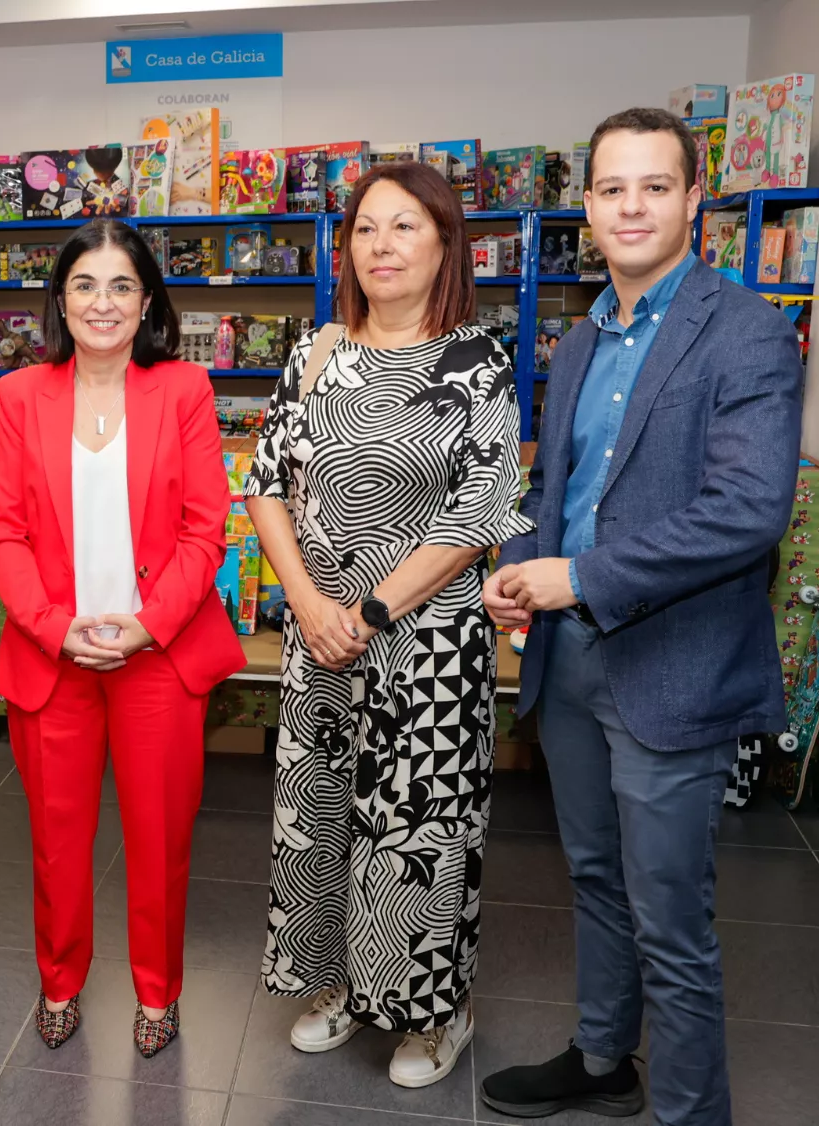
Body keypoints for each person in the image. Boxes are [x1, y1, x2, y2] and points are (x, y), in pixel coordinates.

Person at [479, 107, 803, 1123]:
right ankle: (602, 1057)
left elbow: (747, 510)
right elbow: (559, 487)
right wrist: (521, 564)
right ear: (586, 205)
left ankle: (690, 1113)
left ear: (693, 199)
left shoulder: (745, 330)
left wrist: (579, 576)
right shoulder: (582, 338)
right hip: (571, 661)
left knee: (670, 920)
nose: (631, 207)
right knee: (593, 876)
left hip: (673, 666)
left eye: (654, 186)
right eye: (612, 188)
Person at [243, 162, 530, 1089]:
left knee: (419, 832)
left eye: (406, 226)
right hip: (319, 642)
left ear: (445, 244)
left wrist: (368, 611)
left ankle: (436, 1013)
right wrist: (306, 604)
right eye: (366, 228)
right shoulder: (315, 351)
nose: (383, 245)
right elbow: (266, 487)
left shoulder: (477, 361)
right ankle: (337, 986)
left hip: (429, 647)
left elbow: (477, 513)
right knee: (322, 820)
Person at [0, 219, 245, 1057]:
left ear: (147, 302)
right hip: (52, 657)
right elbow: (3, 534)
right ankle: (60, 982)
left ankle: (158, 994)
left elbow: (206, 530)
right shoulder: (21, 395)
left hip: (157, 657)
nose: (103, 302)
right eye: (85, 285)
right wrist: (55, 628)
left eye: (122, 285)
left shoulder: (185, 389)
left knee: (160, 840)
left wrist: (146, 626)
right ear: (60, 300)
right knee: (57, 844)